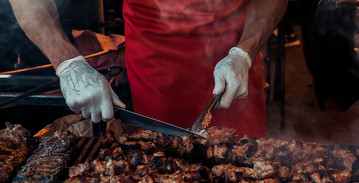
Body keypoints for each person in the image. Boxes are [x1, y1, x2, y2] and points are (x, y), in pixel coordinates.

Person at [9, 0, 287, 138]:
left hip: (235, 57)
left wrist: (244, 53)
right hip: (154, 64)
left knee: (245, 172)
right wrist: (68, 63)